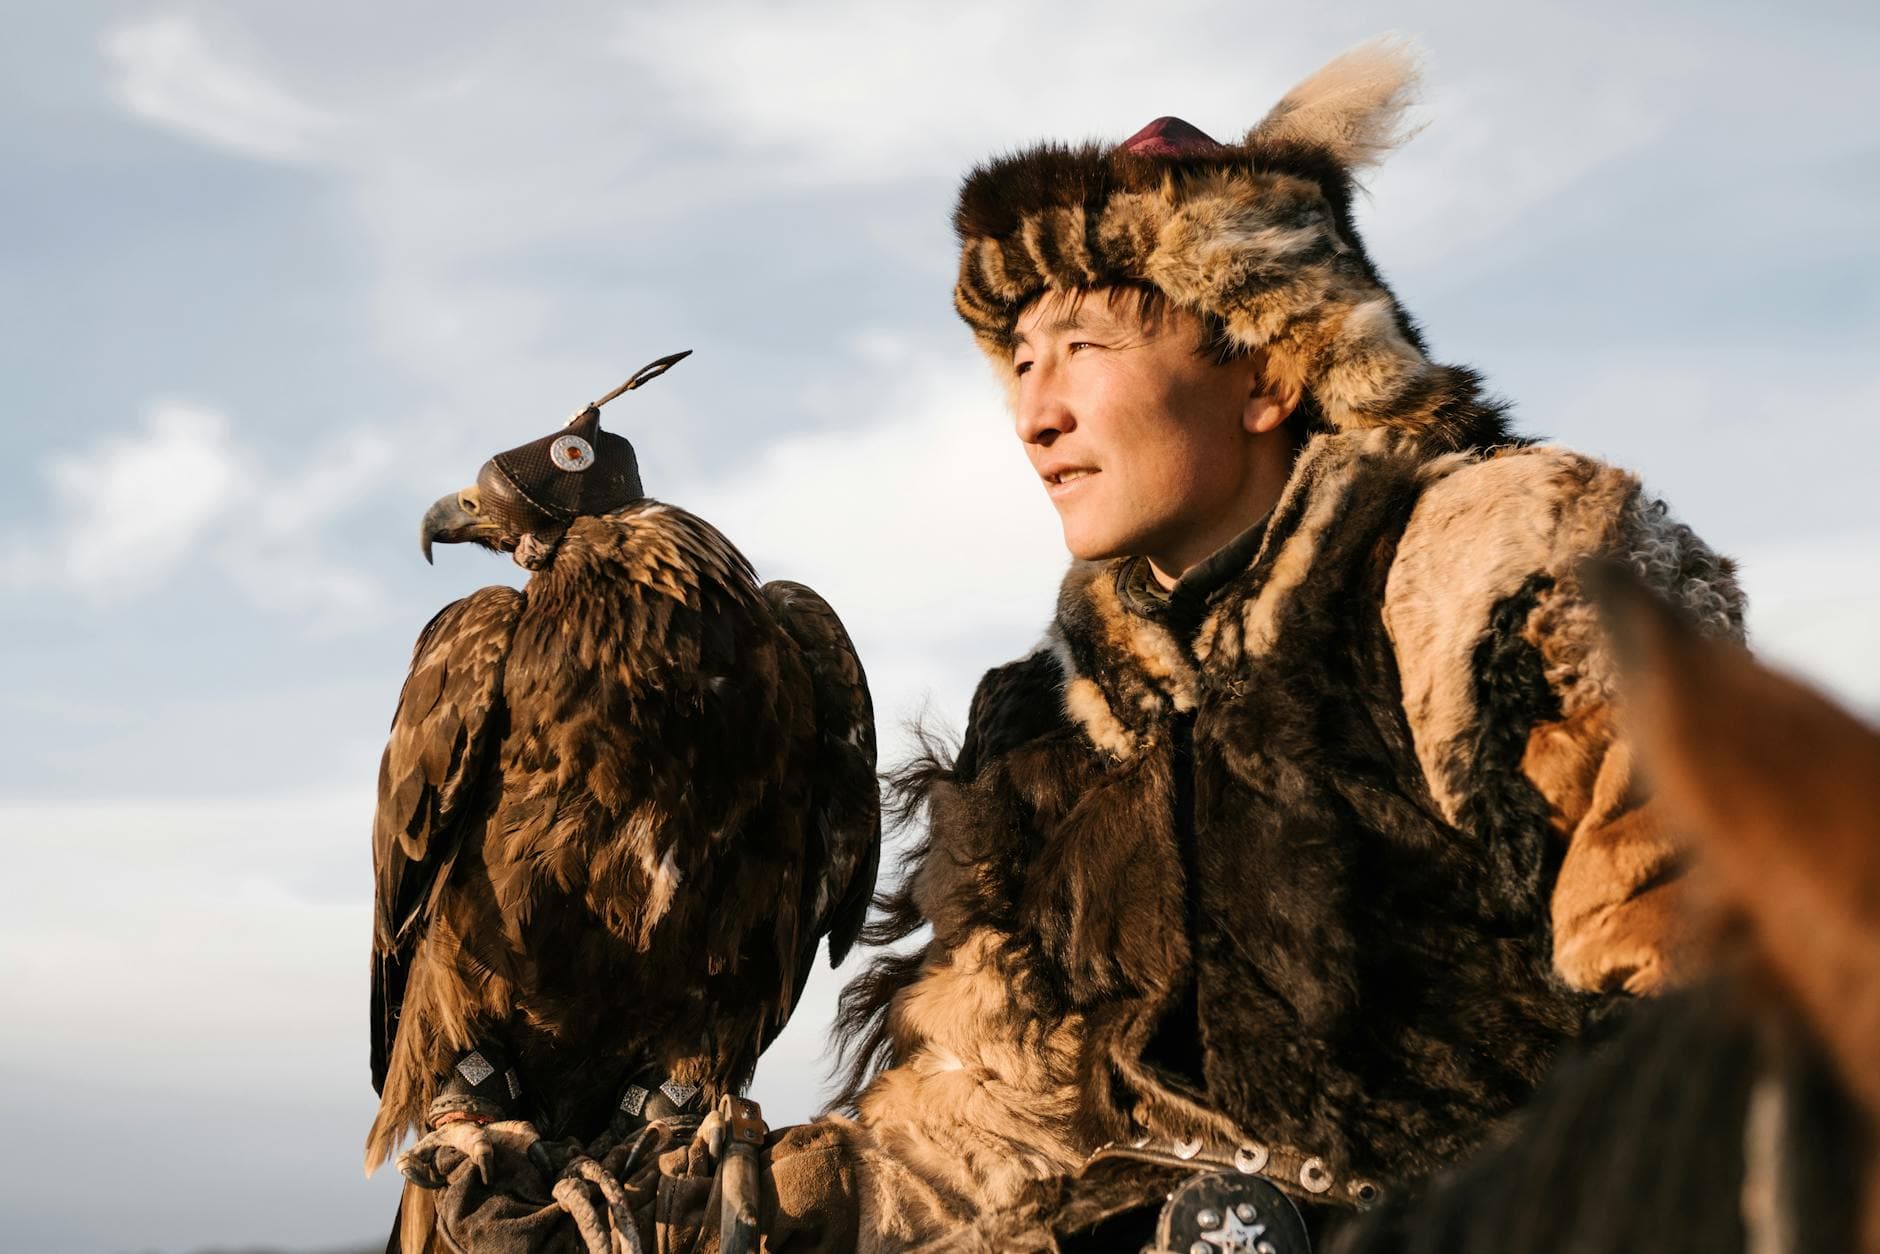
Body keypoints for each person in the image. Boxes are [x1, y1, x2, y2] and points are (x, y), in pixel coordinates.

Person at [401, 39, 1745, 1253]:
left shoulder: (1489, 578)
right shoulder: (1047, 727)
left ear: (1268, 371)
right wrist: (745, 1209)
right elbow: (995, 1121)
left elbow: (1731, 1001)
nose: (1033, 413)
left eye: (1082, 346)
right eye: (1018, 360)